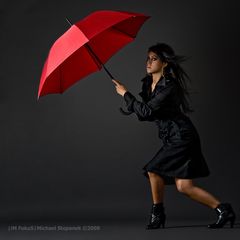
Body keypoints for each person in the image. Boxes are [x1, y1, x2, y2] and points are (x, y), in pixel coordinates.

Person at [111, 43, 236, 229]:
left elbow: (145, 111)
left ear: (165, 63)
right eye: (148, 58)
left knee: (153, 170)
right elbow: (146, 115)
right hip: (173, 137)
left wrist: (125, 94)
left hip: (182, 136)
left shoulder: (169, 86)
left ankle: (158, 215)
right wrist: (129, 98)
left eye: (154, 59)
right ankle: (224, 210)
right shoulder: (148, 84)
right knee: (184, 187)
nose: (149, 62)